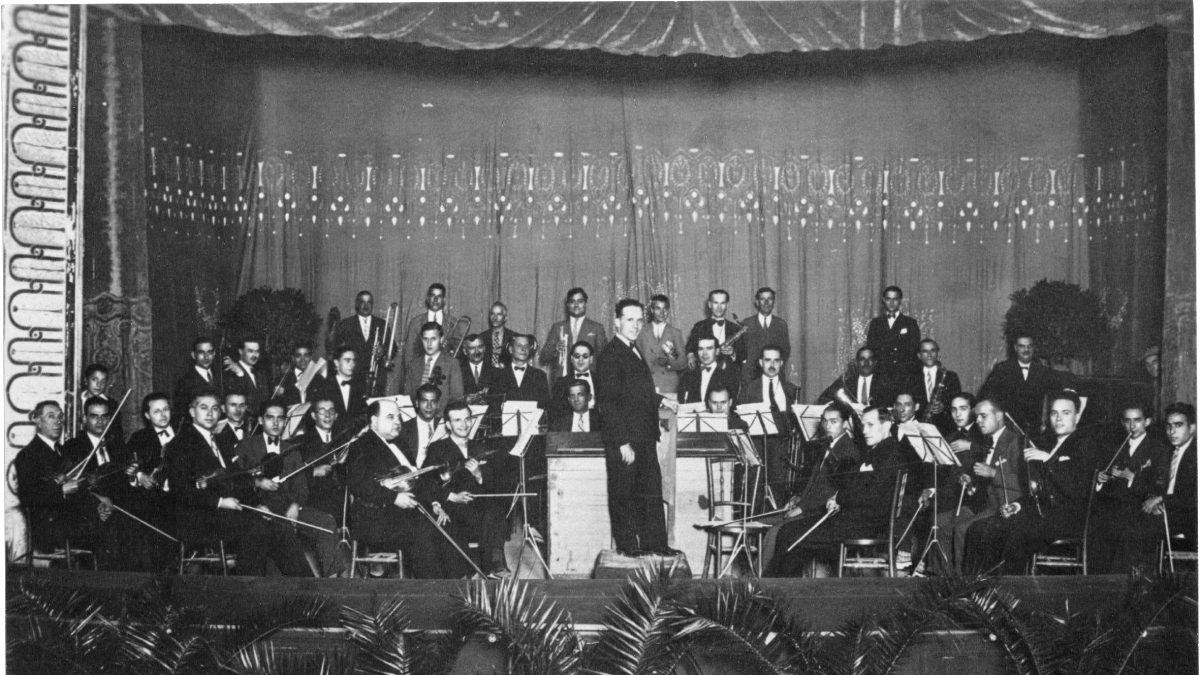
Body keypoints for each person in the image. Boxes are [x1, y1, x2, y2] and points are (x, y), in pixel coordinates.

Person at [162, 390, 310, 576]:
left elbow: (238, 479)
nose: (210, 413)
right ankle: (249, 588)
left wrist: (258, 504)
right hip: (200, 517)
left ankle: (306, 587)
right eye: (204, 408)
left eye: (215, 409)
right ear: (192, 412)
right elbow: (181, 490)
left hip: (225, 515)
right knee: (258, 527)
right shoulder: (180, 444)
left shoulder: (221, 441)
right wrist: (220, 502)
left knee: (277, 522)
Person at [768, 406, 914, 576]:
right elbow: (856, 485)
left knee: (789, 534)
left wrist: (839, 499)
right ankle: (782, 585)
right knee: (790, 532)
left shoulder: (891, 454)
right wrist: (837, 496)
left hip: (865, 524)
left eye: (870, 425)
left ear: (887, 425)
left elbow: (872, 496)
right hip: (856, 520)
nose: (865, 431)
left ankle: (777, 586)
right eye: (863, 425)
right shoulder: (877, 450)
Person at [965, 390, 1095, 575]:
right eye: (1053, 413)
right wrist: (1018, 505)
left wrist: (1048, 459)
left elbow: (1074, 489)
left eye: (1065, 413)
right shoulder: (1048, 444)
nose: (1058, 418)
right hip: (1039, 513)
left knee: (1015, 532)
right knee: (978, 529)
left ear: (1077, 416)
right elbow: (1035, 489)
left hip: (1067, 519)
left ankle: (1007, 592)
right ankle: (973, 589)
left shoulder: (1084, 445)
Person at [596, 298, 680, 557]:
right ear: (617, 322)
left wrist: (661, 399)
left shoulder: (633, 350)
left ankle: (656, 544)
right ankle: (628, 545)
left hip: (644, 435)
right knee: (624, 494)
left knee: (650, 492)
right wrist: (621, 442)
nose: (635, 325)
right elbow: (608, 402)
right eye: (629, 319)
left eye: (639, 320)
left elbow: (637, 391)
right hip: (626, 439)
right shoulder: (611, 354)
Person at [235, 400, 346, 577]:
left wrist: (295, 505)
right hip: (260, 509)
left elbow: (301, 486)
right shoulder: (246, 447)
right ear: (261, 420)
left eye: (280, 418)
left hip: (288, 507)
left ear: (286, 422)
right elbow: (237, 482)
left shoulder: (292, 450)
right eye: (270, 418)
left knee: (326, 522)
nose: (276, 423)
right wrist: (257, 484)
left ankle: (332, 582)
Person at [344, 399, 444, 578]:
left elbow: (415, 480)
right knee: (424, 531)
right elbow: (359, 484)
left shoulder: (401, 444)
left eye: (399, 417)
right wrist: (395, 498)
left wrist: (433, 502)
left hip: (401, 512)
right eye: (390, 417)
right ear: (374, 421)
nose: (398, 422)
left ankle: (453, 585)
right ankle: (432, 590)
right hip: (375, 517)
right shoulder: (361, 446)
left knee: (444, 522)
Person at [761, 402, 859, 574]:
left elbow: (832, 491)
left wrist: (802, 508)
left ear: (845, 424)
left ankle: (766, 581)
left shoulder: (847, 451)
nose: (828, 426)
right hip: (808, 506)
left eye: (834, 421)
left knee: (776, 531)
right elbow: (814, 482)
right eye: (825, 421)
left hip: (820, 512)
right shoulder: (828, 444)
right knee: (760, 523)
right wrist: (798, 497)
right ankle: (761, 576)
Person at [934, 399, 1023, 574]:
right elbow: (984, 478)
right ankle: (945, 578)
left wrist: (993, 473)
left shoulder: (1014, 441)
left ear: (999, 416)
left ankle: (963, 583)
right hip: (983, 504)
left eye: (984, 416)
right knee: (939, 523)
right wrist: (972, 482)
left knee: (961, 529)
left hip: (1004, 507)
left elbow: (1025, 483)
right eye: (977, 416)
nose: (979, 421)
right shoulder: (988, 441)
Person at [15, 401, 111, 562]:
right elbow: (28, 496)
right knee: (104, 530)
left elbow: (78, 488)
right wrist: (61, 490)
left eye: (60, 417)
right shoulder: (28, 455)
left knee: (110, 521)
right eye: (51, 416)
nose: (58, 421)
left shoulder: (63, 451)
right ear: (37, 421)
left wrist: (98, 502)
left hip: (68, 517)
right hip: (47, 523)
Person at [424, 400, 507, 577]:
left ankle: (492, 566)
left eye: (467, 419)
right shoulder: (437, 448)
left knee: (495, 511)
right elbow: (426, 482)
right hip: (452, 507)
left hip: (477, 507)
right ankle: (472, 571)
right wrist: (451, 496)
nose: (464, 424)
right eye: (457, 420)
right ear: (448, 424)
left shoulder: (480, 447)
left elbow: (493, 485)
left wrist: (479, 475)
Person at [1088, 403, 1172, 574]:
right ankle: (1102, 584)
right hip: (1114, 508)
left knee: (1129, 533)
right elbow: (1103, 482)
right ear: (1122, 423)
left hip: (1141, 508)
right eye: (1127, 421)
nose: (1132, 426)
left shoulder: (1159, 448)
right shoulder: (1113, 447)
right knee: (1098, 530)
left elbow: (1160, 485)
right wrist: (1101, 479)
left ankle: (1124, 584)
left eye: (1137, 420)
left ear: (1147, 421)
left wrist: (1132, 478)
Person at [737, 345, 800, 500]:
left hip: (781, 447)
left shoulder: (791, 389)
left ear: (782, 363)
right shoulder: (748, 389)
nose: (772, 365)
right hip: (756, 445)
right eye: (767, 360)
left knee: (778, 486)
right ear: (760, 362)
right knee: (755, 486)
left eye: (776, 361)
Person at [979, 335, 1060, 435]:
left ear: (1034, 348)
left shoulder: (1043, 371)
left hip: (1034, 431)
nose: (1026, 349)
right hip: (1008, 429)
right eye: (1022, 346)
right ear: (1015, 348)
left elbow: (1052, 400)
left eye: (1029, 346)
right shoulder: (1002, 369)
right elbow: (988, 395)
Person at [1147, 403, 1197, 560]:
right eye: (1168, 426)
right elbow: (1154, 484)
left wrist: (1162, 501)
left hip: (1190, 518)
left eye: (1178, 425)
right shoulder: (1166, 452)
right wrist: (1153, 501)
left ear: (1192, 428)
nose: (1172, 431)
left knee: (1140, 529)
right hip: (1167, 513)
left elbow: (1193, 497)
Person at [540, 287, 608, 386]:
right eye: (572, 302)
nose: (576, 305)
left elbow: (604, 359)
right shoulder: (558, 327)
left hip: (588, 381)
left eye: (580, 301)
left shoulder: (597, 328)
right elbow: (544, 357)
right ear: (568, 305)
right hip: (562, 381)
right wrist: (555, 348)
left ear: (586, 304)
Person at [298, 395, 349, 528]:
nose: (327, 415)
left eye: (331, 411)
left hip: (341, 502)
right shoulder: (302, 442)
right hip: (315, 503)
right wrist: (312, 472)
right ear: (314, 416)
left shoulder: (343, 440)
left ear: (336, 415)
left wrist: (343, 465)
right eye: (322, 411)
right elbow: (293, 474)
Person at [332, 290, 393, 396]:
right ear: (357, 304)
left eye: (369, 302)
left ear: (373, 305)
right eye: (362, 302)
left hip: (376, 377)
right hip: (353, 375)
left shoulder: (382, 324)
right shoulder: (346, 324)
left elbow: (393, 347)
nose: (366, 305)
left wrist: (384, 351)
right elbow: (336, 350)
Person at [866, 286, 921, 391]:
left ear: (900, 301)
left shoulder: (910, 323)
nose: (891, 303)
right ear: (883, 300)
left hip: (904, 375)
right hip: (882, 375)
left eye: (895, 299)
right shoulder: (876, 323)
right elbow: (872, 347)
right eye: (888, 299)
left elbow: (913, 349)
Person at [400, 284, 457, 385]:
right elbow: (409, 353)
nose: (435, 299)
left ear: (444, 300)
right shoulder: (416, 322)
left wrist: (450, 347)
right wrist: (411, 377)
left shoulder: (453, 322)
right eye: (432, 295)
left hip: (445, 375)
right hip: (422, 374)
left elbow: (459, 352)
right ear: (427, 298)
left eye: (439, 296)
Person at [401, 321, 464, 412]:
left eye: (433, 339)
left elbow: (457, 397)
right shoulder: (413, 364)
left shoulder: (452, 363)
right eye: (425, 339)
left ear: (441, 339)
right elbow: (407, 396)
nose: (429, 343)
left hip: (441, 417)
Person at [634, 294, 689, 395]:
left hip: (669, 384)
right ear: (651, 310)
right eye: (658, 309)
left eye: (665, 309)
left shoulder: (675, 333)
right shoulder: (641, 332)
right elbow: (634, 361)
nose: (662, 312)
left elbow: (683, 362)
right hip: (648, 383)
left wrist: (669, 361)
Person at [817, 347, 898, 411]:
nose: (866, 363)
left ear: (875, 362)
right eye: (862, 359)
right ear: (856, 363)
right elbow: (823, 399)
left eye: (870, 359)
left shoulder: (885, 382)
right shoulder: (846, 381)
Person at [686, 289, 747, 371]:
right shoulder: (699, 326)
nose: (719, 307)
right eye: (715, 303)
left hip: (728, 377)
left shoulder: (735, 328)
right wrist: (691, 356)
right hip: (704, 374)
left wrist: (733, 353)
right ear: (710, 304)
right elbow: (689, 348)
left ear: (727, 305)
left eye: (722, 303)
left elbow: (743, 356)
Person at [740, 287, 791, 383]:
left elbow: (786, 349)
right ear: (757, 302)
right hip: (750, 377)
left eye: (770, 299)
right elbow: (741, 351)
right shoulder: (746, 324)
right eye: (763, 299)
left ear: (774, 302)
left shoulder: (781, 324)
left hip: (774, 375)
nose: (766, 303)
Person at [313, 346, 368, 433]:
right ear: (336, 363)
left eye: (353, 360)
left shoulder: (360, 387)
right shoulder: (324, 386)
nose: (351, 364)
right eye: (347, 360)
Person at [913, 339, 962, 435]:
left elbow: (957, 399)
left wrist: (944, 406)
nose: (929, 354)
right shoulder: (911, 378)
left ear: (938, 353)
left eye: (933, 350)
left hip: (945, 428)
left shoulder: (950, 376)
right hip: (919, 428)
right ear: (919, 355)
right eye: (925, 351)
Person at [493, 333, 550, 410]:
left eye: (526, 346)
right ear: (510, 349)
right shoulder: (498, 376)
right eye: (519, 346)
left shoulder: (540, 375)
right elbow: (494, 406)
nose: (523, 349)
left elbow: (545, 405)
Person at [679, 336, 741, 405]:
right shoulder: (687, 376)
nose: (704, 353)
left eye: (709, 348)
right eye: (701, 349)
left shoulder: (728, 376)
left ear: (717, 351)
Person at [548, 341, 599, 422]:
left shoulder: (602, 380)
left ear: (591, 359)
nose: (581, 360)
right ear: (571, 359)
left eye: (585, 356)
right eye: (577, 356)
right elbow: (556, 414)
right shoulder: (561, 383)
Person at [174, 337, 221, 420]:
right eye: (201, 353)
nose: (206, 357)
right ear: (193, 355)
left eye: (209, 352)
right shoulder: (185, 382)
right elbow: (182, 414)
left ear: (214, 354)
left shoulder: (221, 376)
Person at [226, 337, 272, 414]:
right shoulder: (231, 370)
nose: (255, 355)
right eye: (250, 351)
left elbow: (265, 398)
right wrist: (240, 374)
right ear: (241, 351)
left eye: (257, 351)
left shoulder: (260, 372)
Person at [80, 363, 124, 441]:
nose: (99, 384)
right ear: (86, 381)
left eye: (103, 381)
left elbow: (117, 433)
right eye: (94, 379)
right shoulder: (76, 401)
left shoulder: (112, 404)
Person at [276, 341, 326, 407]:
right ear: (293, 358)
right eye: (298, 356)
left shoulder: (319, 379)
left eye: (306, 355)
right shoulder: (283, 380)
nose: (303, 359)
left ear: (311, 357)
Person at [459, 333, 498, 398]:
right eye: (472, 348)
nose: (477, 352)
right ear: (465, 351)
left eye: (480, 347)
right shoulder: (457, 372)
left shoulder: (495, 372)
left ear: (484, 348)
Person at [482, 301, 516, 369]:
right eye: (492, 314)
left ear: (505, 318)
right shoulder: (481, 337)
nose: (495, 317)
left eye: (499, 314)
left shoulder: (514, 337)